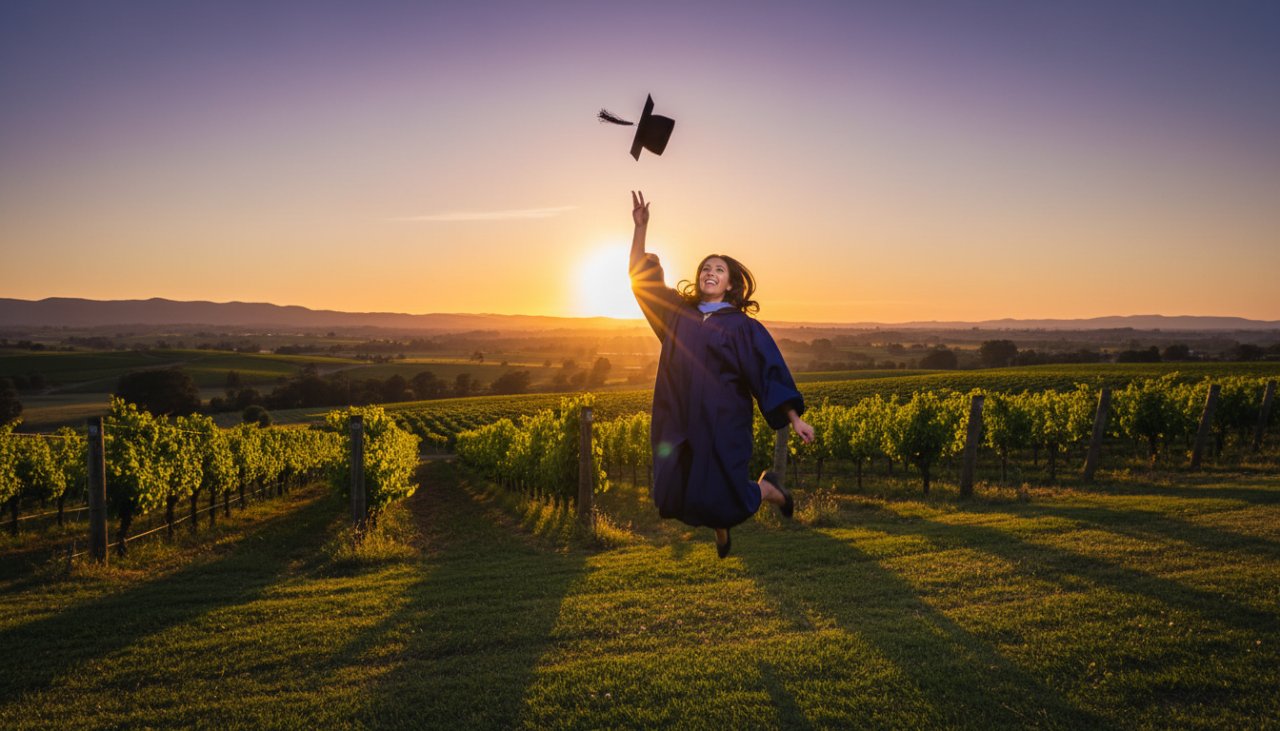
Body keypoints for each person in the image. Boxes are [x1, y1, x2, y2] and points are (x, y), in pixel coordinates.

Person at [628, 190, 815, 558]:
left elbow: (768, 369)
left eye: (718, 269)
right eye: (705, 268)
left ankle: (768, 490)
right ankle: (721, 524)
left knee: (723, 489)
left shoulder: (742, 327)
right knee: (675, 490)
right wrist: (640, 230)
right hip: (679, 417)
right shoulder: (677, 315)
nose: (709, 272)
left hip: (722, 421)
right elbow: (640, 280)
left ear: (730, 283)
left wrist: (794, 419)